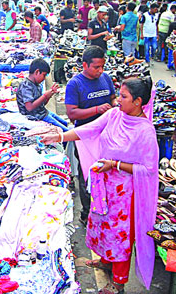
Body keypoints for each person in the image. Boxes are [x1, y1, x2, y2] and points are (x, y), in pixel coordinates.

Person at [40, 77, 158, 294]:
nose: (118, 100)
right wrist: (59, 136)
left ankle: (119, 281)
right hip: (104, 186)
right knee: (103, 226)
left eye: (124, 97)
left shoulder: (145, 132)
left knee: (120, 235)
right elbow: (88, 131)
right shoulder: (115, 115)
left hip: (126, 194)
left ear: (139, 101)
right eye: (119, 95)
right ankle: (105, 261)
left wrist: (115, 164)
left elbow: (148, 170)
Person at [64, 45, 116, 222]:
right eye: (96, 67)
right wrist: (96, 109)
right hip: (85, 138)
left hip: (107, 135)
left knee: (107, 170)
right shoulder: (75, 84)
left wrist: (115, 105)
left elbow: (112, 98)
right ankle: (87, 213)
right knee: (88, 172)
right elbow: (72, 113)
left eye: (102, 67)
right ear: (85, 65)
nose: (100, 71)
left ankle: (105, 208)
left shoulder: (106, 78)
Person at [16, 58, 68, 131]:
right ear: (37, 72)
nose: (44, 78)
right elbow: (29, 107)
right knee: (65, 131)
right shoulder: (26, 86)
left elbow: (41, 104)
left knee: (65, 123)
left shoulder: (37, 85)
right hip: (35, 116)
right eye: (44, 75)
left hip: (43, 112)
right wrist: (45, 96)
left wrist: (49, 95)